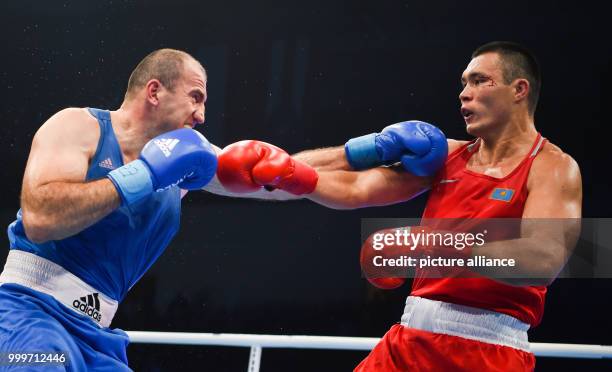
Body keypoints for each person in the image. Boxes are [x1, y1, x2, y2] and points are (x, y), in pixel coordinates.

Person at [214, 41, 582, 371]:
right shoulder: (449, 156)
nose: (464, 94)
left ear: (519, 90)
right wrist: (289, 172)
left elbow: (541, 259)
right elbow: (358, 186)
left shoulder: (551, 166)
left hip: (488, 351)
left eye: (479, 81)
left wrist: (431, 247)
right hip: (408, 342)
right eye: (463, 84)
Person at [0, 48, 316, 371]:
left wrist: (359, 154)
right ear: (154, 92)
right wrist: (143, 176)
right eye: (195, 97)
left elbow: (275, 177)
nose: (201, 115)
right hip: (29, 312)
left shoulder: (185, 163)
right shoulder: (79, 126)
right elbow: (40, 218)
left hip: (96, 336)